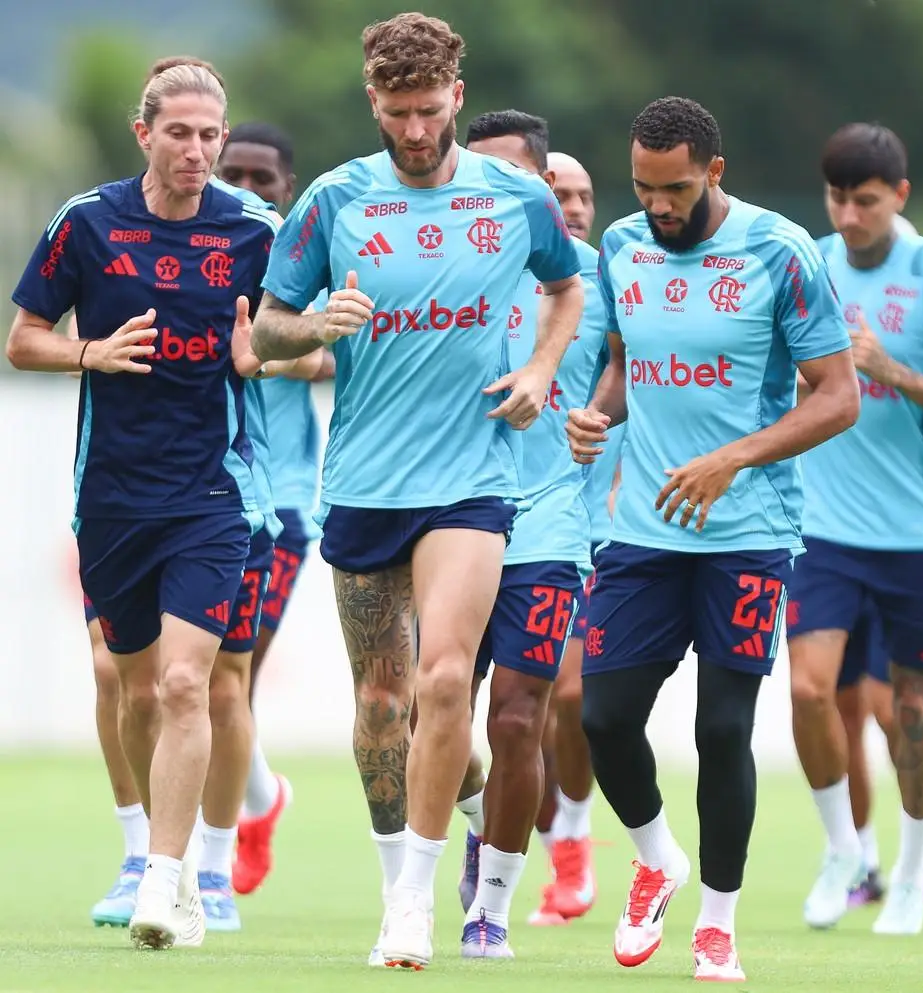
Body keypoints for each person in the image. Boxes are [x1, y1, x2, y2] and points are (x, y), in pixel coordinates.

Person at [250, 13, 584, 969]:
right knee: (382, 705)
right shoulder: (332, 201)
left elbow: (566, 290)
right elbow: (265, 333)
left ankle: (413, 903)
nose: (414, 131)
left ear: (457, 97)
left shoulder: (515, 196)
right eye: (396, 112)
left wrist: (538, 369)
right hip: (364, 482)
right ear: (373, 102)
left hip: (474, 477)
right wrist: (315, 324)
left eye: (429, 111)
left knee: (447, 679)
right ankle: (432, 834)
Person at [565, 96, 858, 982]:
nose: (659, 206)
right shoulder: (621, 245)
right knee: (604, 716)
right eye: (645, 188)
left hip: (747, 532)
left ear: (715, 173)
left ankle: (718, 926)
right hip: (644, 529)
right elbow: (624, 359)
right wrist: (596, 413)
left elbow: (837, 395)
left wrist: (733, 458)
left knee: (723, 729)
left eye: (677, 189)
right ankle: (656, 857)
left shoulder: (781, 251)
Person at [7, 57, 279, 950]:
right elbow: (25, 340)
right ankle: (141, 852)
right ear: (144, 134)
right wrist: (89, 354)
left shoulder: (254, 231)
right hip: (113, 497)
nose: (199, 151)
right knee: (130, 689)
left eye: (212, 135)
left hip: (215, 492)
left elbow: (308, 333)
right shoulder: (85, 223)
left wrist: (267, 351)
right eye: (181, 133)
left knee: (186, 680)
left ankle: (175, 880)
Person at [786, 123, 923, 935]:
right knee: (807, 689)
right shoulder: (810, 267)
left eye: (864, 201)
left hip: (915, 534)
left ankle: (910, 868)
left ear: (898, 197)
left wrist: (891, 370)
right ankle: (845, 850)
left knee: (910, 712)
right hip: (821, 527)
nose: (848, 216)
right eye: (836, 199)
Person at [453, 111, 607, 956]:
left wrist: (603, 420)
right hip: (446, 514)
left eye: (523, 179)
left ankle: (495, 909)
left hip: (553, 516)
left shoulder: (600, 274)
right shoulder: (440, 266)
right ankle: (481, 821)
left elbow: (641, 368)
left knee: (525, 717)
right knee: (423, 711)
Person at [216, 122, 336, 897]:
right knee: (193, 680)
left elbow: (335, 352)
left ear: (288, 191)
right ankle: (260, 797)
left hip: (284, 497)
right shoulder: (196, 253)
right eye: (237, 174)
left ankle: (210, 854)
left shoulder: (304, 261)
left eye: (264, 178)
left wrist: (269, 348)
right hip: (199, 493)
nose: (249, 189)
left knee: (235, 674)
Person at [525, 150, 611, 927]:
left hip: (596, 522)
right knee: (512, 704)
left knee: (574, 694)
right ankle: (520, 842)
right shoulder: (492, 274)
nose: (576, 207)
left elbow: (647, 374)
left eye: (585, 194)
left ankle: (576, 841)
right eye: (561, 194)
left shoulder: (611, 278)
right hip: (497, 517)